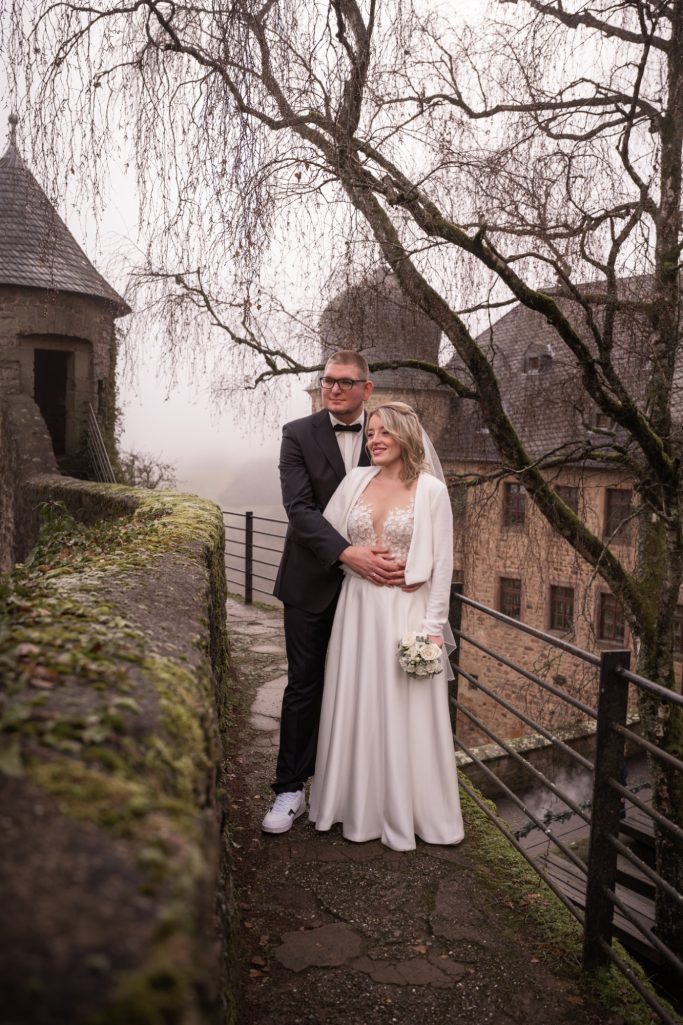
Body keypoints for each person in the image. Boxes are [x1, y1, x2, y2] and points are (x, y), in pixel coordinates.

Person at [262, 352, 407, 834]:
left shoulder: (386, 434)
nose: (334, 389)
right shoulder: (296, 434)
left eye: (345, 382)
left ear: (367, 388)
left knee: (367, 686)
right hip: (310, 579)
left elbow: (409, 493)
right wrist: (347, 553)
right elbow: (299, 508)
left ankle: (357, 788)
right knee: (304, 685)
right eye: (327, 381)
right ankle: (290, 788)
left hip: (376, 590)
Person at [309, 402, 464, 851]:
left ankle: (406, 811)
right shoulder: (356, 481)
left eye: (384, 432)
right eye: (371, 433)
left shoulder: (431, 490)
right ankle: (352, 806)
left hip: (404, 610)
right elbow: (330, 538)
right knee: (356, 699)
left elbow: (442, 565)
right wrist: (352, 562)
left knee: (402, 706)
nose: (374, 440)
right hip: (357, 609)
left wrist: (433, 630)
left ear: (405, 436)